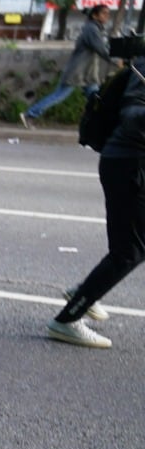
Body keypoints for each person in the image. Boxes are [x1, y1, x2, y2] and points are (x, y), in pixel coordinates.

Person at [45, 50, 145, 349]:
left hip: (131, 162)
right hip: (130, 164)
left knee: (135, 245)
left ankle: (85, 293)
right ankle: (66, 320)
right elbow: (132, 114)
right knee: (128, 251)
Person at [21, 5, 115, 127]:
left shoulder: (96, 29)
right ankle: (30, 114)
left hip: (88, 74)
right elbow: (102, 50)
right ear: (94, 15)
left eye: (108, 13)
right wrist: (114, 60)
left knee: (96, 99)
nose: (107, 16)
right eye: (103, 13)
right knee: (58, 96)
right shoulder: (91, 30)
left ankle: (98, 126)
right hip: (77, 72)